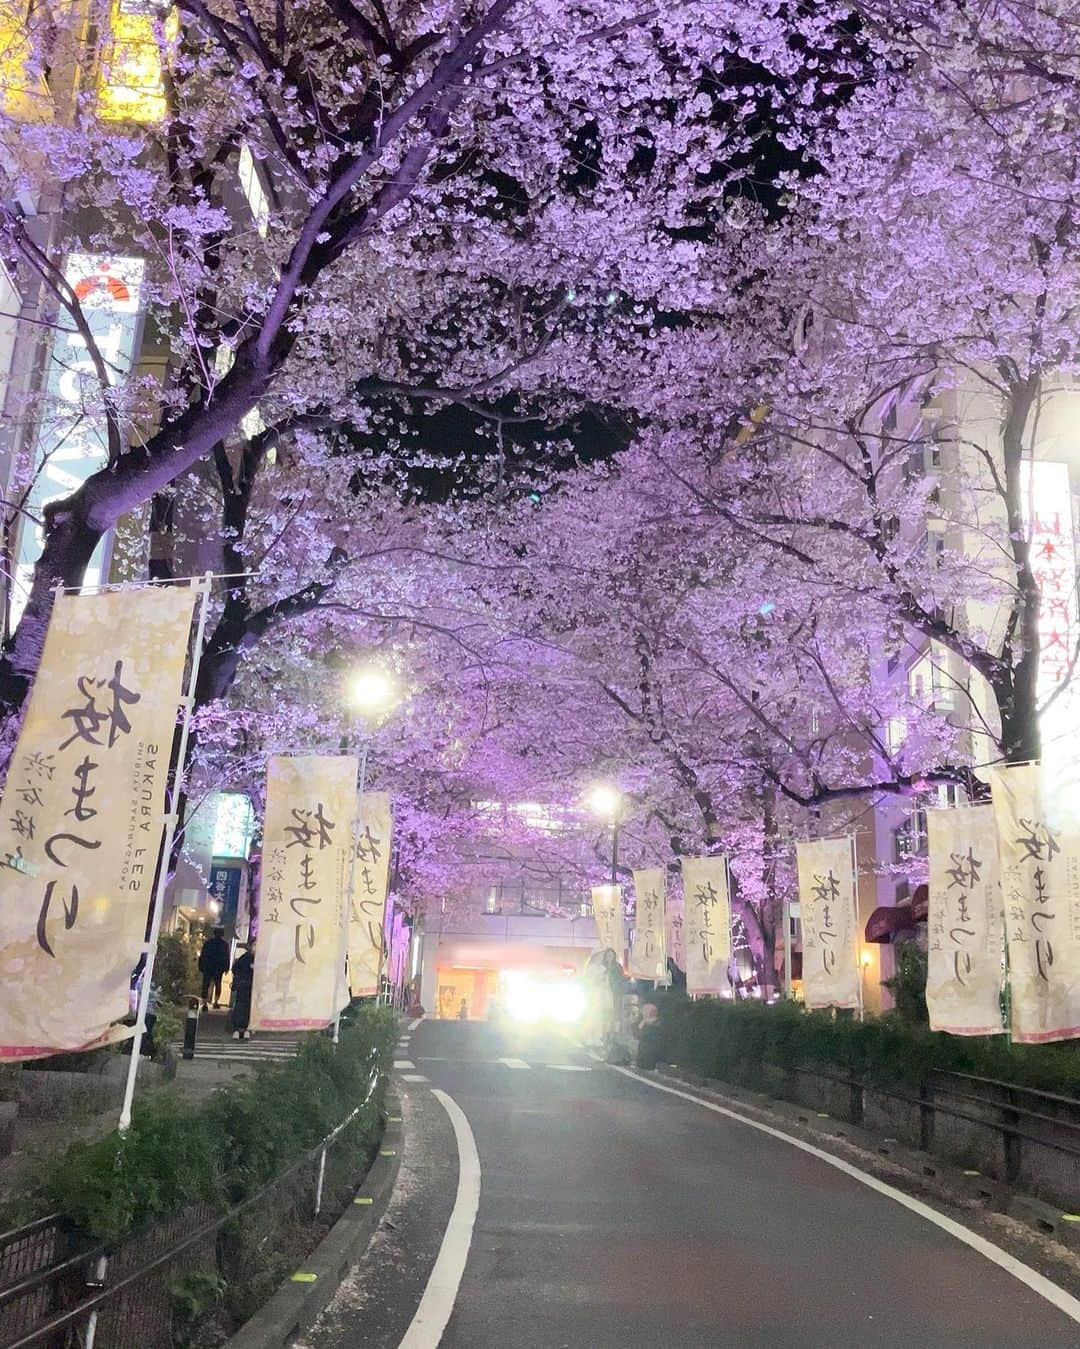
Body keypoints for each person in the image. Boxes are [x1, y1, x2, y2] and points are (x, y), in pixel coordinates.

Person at [198, 925, 230, 1010]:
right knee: (218, 984)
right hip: (218, 968)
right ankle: (216, 1002)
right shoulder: (224, 944)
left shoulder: (208, 943)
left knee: (205, 984)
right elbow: (226, 957)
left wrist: (201, 966)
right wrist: (226, 968)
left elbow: (203, 955)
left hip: (208, 967)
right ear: (222, 934)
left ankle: (204, 1003)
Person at [230, 942, 255, 1040]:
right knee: (242, 1007)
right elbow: (235, 969)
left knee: (245, 1007)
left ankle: (243, 1029)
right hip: (245, 986)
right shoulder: (246, 958)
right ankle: (240, 1029)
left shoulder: (256, 959)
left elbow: (235, 969)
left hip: (248, 987)